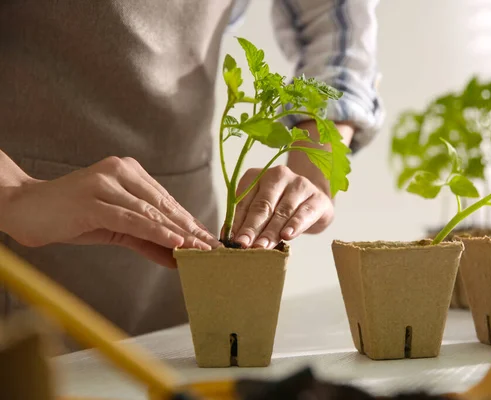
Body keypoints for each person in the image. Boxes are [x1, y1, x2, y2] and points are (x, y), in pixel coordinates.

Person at [0, 0, 382, 350]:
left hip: (186, 232)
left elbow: (333, 26)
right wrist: (13, 191)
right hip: (21, 238)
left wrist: (314, 172)